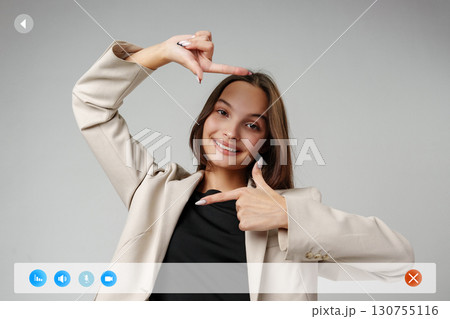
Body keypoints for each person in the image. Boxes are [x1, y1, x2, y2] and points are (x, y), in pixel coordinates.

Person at [72, 30, 414, 301]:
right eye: (222, 112)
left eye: (252, 125)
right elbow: (91, 103)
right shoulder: (154, 190)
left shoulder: (288, 218)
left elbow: (400, 263)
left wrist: (287, 216)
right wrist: (160, 53)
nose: (230, 132)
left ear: (267, 141)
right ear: (205, 118)